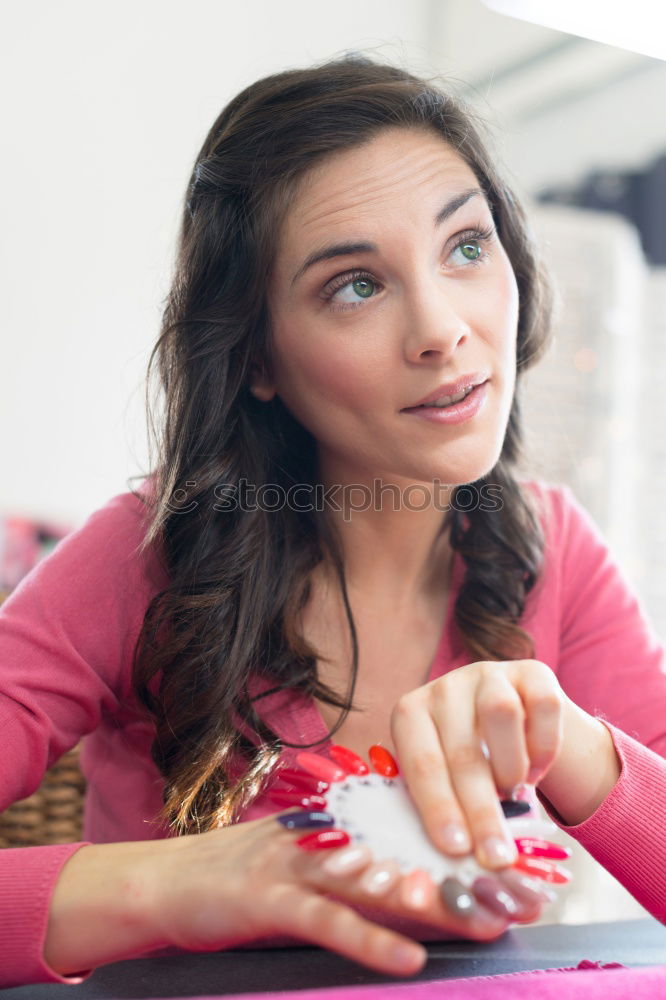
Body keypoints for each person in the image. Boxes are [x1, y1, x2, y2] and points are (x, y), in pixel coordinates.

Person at [1, 54, 665, 989]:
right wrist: (180, 883)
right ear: (258, 357)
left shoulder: (557, 552)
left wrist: (577, 744)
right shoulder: (141, 555)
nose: (441, 328)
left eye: (466, 246)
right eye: (355, 284)